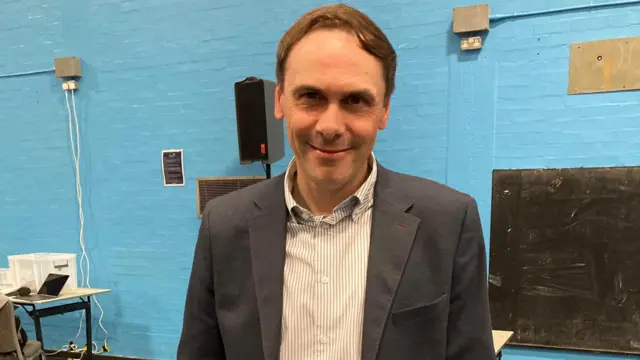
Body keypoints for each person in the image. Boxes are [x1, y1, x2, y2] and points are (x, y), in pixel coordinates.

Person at [178, 3, 494, 360]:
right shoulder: (224, 225)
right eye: (311, 96)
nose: (329, 126)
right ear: (280, 100)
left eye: (356, 100)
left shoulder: (448, 222)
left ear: (385, 110)